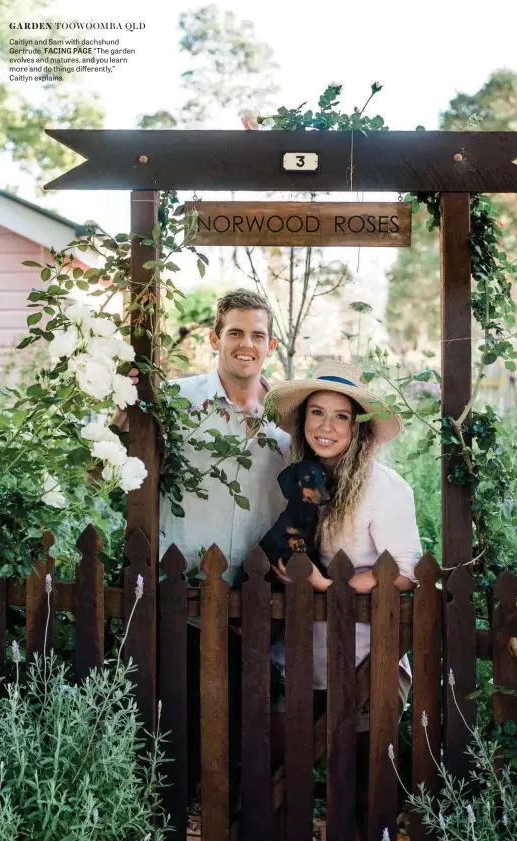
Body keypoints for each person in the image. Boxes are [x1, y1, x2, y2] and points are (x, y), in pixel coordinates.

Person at [114, 288, 290, 803]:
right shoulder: (173, 402)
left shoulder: (286, 424)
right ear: (215, 338)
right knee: (172, 743)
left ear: (270, 345)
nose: (246, 344)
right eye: (235, 332)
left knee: (240, 742)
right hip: (178, 600)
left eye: (257, 335)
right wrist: (118, 408)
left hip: (251, 607)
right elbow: (106, 460)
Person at [266, 360, 422, 836]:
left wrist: (329, 588)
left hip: (364, 658)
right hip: (299, 653)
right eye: (317, 413)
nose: (326, 426)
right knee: (285, 777)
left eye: (340, 416)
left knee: (356, 786)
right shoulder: (300, 478)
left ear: (358, 428)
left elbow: (405, 570)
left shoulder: (384, 487)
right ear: (303, 421)